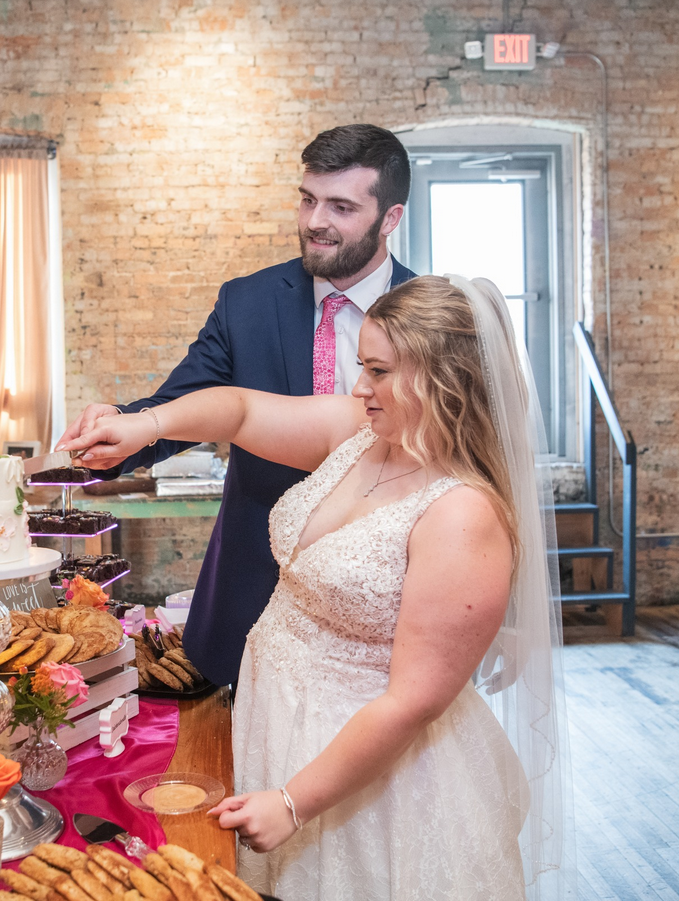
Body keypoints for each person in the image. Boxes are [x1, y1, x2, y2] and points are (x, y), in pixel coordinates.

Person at [58, 275, 574, 900]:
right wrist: (145, 423)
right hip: (275, 718)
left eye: (380, 371)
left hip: (371, 774)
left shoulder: (464, 515)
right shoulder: (360, 432)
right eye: (362, 366)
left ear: (443, 379)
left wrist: (295, 803)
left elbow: (413, 701)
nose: (360, 387)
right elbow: (243, 410)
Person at [57, 124, 417, 687]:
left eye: (341, 207)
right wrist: (122, 423)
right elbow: (183, 404)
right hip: (258, 579)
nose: (315, 221)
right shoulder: (247, 302)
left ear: (389, 218)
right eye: (307, 199)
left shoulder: (432, 317)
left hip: (385, 590)